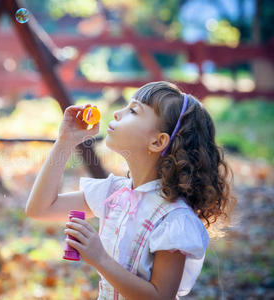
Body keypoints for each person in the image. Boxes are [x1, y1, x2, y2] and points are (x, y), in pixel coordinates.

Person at [25, 81, 236, 299]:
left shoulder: (173, 219)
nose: (117, 113)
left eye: (133, 111)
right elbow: (40, 208)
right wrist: (65, 142)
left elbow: (160, 296)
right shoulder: (114, 194)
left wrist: (100, 258)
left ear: (157, 141)